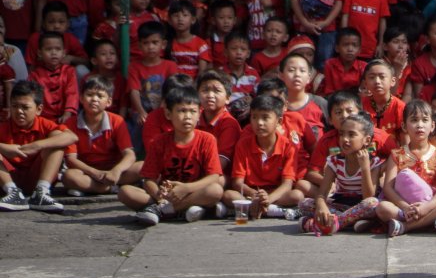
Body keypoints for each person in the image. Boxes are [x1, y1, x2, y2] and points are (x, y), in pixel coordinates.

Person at [118, 84, 223, 225]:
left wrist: (186, 188)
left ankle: (162, 210)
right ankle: (179, 210)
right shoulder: (159, 142)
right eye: (181, 111)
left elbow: (214, 177)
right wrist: (159, 195)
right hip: (167, 195)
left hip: (194, 191)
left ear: (199, 113)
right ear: (168, 114)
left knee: (215, 190)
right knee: (125, 192)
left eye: (193, 111)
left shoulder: (207, 139)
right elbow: (149, 179)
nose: (187, 117)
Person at [296, 112, 383, 235]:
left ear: (366, 140)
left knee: (373, 204)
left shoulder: (373, 162)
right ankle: (349, 222)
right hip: (342, 205)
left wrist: (365, 168)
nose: (345, 139)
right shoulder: (335, 161)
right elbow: (322, 194)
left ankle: (329, 224)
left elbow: (368, 196)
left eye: (352, 135)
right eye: (342, 134)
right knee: (304, 204)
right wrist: (322, 207)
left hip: (362, 206)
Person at [377, 100, 436, 236]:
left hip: (431, 204)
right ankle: (429, 222)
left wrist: (427, 207)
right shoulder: (396, 155)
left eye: (425, 120)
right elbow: (388, 187)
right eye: (414, 120)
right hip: (406, 207)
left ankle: (407, 225)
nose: (420, 125)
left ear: (432, 126)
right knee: (383, 208)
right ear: (404, 126)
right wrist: (405, 207)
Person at [223, 94, 305, 219]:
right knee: (228, 195)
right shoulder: (243, 144)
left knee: (297, 195)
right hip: (252, 194)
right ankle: (270, 210)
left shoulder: (289, 146)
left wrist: (268, 199)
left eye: (265, 117)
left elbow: (287, 185)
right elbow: (237, 182)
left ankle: (254, 209)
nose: (259, 123)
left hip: (275, 194)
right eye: (254, 117)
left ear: (279, 121)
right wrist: (256, 195)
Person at [0, 80, 76, 211]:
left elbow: (72, 137)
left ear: (39, 109)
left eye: (25, 107)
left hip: (36, 177)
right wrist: (3, 148)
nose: (19, 111)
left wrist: (37, 145)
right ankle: (13, 193)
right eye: (14, 106)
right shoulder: (4, 126)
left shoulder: (45, 124)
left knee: (57, 138)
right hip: (8, 179)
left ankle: (41, 192)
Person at [61, 76, 140, 195]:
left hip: (113, 172)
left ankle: (91, 188)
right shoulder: (70, 123)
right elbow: (71, 159)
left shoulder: (117, 121)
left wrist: (116, 171)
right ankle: (110, 188)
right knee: (69, 176)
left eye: (100, 96)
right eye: (89, 95)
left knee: (142, 167)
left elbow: (129, 154)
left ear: (108, 102)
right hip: (86, 172)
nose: (94, 99)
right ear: (81, 99)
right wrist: (94, 173)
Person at [27, 31, 78, 124]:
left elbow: (72, 94)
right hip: (43, 119)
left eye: (58, 49)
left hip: (66, 117)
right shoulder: (34, 75)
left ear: (64, 52)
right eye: (48, 49)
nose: (54, 52)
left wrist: (67, 113)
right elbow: (32, 99)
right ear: (39, 53)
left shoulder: (69, 71)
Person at [319, 28, 366, 97]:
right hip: (334, 101)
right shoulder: (330, 64)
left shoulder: (364, 67)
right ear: (337, 48)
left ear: (359, 50)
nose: (350, 49)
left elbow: (363, 92)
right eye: (346, 45)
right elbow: (329, 91)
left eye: (354, 45)